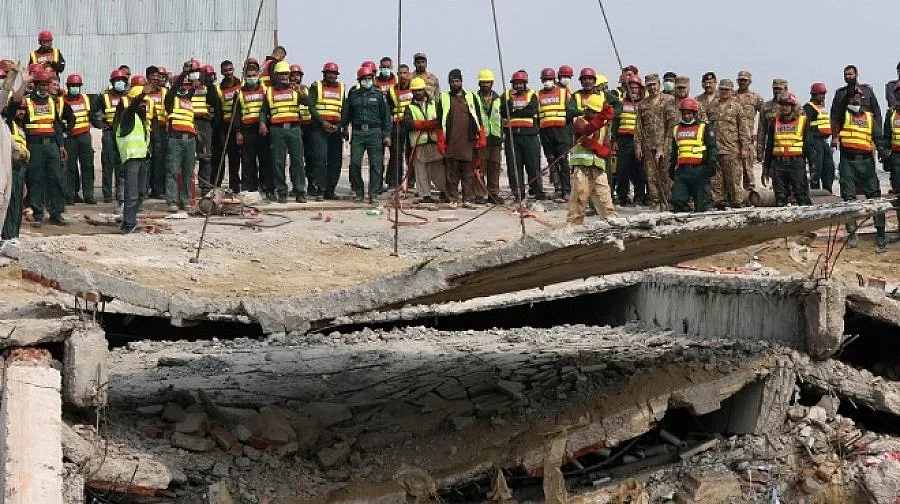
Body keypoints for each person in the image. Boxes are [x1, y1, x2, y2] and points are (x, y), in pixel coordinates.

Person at [837, 87, 886, 251]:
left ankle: (880, 233)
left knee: (875, 198)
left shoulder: (870, 117)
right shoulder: (842, 115)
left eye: (858, 97)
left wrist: (882, 150)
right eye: (852, 97)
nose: (855, 99)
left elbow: (878, 137)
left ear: (862, 99)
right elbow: (838, 107)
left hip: (866, 162)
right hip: (848, 162)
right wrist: (848, 89)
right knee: (849, 198)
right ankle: (852, 233)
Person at [20, 69, 68, 226]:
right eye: (42, 84)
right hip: (34, 146)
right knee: (36, 180)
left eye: (47, 85)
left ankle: (56, 213)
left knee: (56, 178)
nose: (45, 88)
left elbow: (57, 125)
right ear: (35, 85)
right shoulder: (27, 101)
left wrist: (61, 145)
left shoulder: (53, 101)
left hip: (51, 145)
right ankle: (38, 213)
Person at [341, 66, 391, 203]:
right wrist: (344, 128)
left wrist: (387, 135)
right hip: (358, 133)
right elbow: (346, 114)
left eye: (369, 79)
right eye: (364, 79)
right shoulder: (353, 95)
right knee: (355, 163)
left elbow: (386, 117)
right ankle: (359, 192)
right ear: (359, 80)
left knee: (376, 164)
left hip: (375, 133)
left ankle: (373, 194)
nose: (367, 81)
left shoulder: (379, 95)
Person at [260, 61, 307, 203]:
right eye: (280, 74)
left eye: (286, 74)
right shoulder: (269, 91)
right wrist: (262, 122)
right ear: (276, 75)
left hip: (294, 129)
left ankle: (300, 191)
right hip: (277, 130)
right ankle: (282, 192)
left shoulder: (297, 89)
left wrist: (300, 92)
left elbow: (308, 103)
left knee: (298, 161)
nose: (283, 77)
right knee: (278, 162)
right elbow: (264, 110)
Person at [437, 68, 485, 207]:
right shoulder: (444, 98)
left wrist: (481, 135)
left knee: (468, 173)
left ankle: (467, 199)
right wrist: (440, 140)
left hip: (468, 141)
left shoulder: (470, 97)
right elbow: (440, 121)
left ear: (462, 82)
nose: (455, 84)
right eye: (452, 81)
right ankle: (453, 198)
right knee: (452, 173)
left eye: (457, 81)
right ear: (449, 83)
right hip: (451, 142)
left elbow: (478, 117)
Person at [567, 94, 617, 225]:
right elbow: (585, 130)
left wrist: (595, 147)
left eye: (598, 113)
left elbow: (607, 151)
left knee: (606, 204)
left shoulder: (603, 128)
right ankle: (574, 229)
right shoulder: (579, 122)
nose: (595, 115)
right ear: (586, 109)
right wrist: (601, 118)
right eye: (593, 112)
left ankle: (614, 228)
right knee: (578, 203)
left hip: (599, 171)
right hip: (581, 170)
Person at [635, 73, 677, 210]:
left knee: (665, 174)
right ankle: (655, 201)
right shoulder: (642, 105)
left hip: (665, 144)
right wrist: (638, 145)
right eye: (649, 85)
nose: (652, 87)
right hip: (648, 145)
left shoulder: (669, 100)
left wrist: (663, 146)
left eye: (654, 84)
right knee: (651, 175)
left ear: (659, 84)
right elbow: (638, 127)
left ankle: (668, 202)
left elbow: (672, 125)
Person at [500, 70, 543, 201]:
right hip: (512, 137)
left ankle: (536, 192)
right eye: (516, 84)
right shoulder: (506, 96)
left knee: (533, 165)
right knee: (514, 167)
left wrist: (514, 111)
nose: (518, 86)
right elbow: (503, 111)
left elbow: (531, 110)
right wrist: (511, 104)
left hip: (529, 136)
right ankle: (518, 194)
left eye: (521, 83)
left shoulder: (532, 95)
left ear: (525, 84)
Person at [113, 86, 151, 233]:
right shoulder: (127, 116)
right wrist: (141, 95)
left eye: (145, 104)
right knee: (132, 193)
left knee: (141, 192)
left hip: (142, 159)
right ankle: (129, 224)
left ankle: (130, 220)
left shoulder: (141, 121)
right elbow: (132, 107)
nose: (143, 106)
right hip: (131, 160)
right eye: (141, 103)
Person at [763, 93, 811, 207]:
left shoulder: (803, 121)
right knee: (780, 197)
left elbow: (808, 144)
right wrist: (766, 167)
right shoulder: (774, 122)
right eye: (782, 105)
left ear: (793, 107)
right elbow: (769, 145)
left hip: (796, 162)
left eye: (787, 105)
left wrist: (812, 165)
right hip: (779, 163)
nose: (784, 107)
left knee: (801, 195)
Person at [668, 97, 716, 212]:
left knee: (702, 205)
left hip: (700, 171)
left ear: (694, 114)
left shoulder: (704, 127)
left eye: (689, 113)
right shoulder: (676, 129)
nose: (686, 116)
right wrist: (671, 167)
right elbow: (675, 151)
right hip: (682, 171)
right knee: (677, 200)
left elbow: (712, 147)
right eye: (684, 113)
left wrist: (712, 163)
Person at [308, 62, 345, 200]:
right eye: (328, 73)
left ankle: (330, 190)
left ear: (336, 75)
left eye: (333, 73)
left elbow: (345, 109)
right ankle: (321, 189)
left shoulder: (342, 88)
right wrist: (323, 122)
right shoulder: (316, 86)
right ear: (324, 74)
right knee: (320, 158)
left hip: (335, 128)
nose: (331, 75)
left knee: (335, 160)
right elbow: (311, 107)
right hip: (320, 127)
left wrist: (341, 125)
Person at [404, 77, 443, 203]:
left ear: (424, 90)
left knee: (438, 170)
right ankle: (425, 195)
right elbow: (408, 123)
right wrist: (426, 124)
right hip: (419, 143)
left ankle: (444, 191)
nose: (418, 93)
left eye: (420, 90)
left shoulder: (434, 104)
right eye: (415, 91)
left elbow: (440, 121)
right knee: (421, 171)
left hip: (434, 142)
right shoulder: (409, 107)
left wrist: (431, 124)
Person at [92, 69, 129, 204]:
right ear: (112, 83)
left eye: (122, 81)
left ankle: (121, 194)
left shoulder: (128, 97)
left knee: (122, 164)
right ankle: (107, 195)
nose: (120, 83)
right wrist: (100, 124)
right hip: (109, 133)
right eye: (117, 81)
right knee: (108, 164)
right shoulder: (104, 97)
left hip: (123, 134)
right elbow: (93, 112)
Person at [713, 79, 751, 208]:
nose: (724, 92)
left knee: (734, 178)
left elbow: (743, 129)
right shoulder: (713, 107)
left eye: (726, 90)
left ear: (731, 91)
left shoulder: (737, 107)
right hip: (716, 149)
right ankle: (720, 202)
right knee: (717, 180)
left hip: (732, 149)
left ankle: (737, 202)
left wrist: (744, 148)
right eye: (722, 89)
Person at [164, 69, 197, 212]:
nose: (184, 87)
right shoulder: (171, 100)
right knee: (173, 171)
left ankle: (185, 200)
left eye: (186, 84)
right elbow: (174, 89)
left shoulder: (188, 102)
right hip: (175, 140)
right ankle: (172, 201)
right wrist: (183, 74)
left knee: (188, 173)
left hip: (190, 141)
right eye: (181, 84)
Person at [537, 67, 572, 200]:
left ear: (554, 79)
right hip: (546, 133)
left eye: (549, 79)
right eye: (545, 80)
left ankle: (567, 190)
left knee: (563, 161)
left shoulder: (564, 93)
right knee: (552, 161)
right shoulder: (538, 94)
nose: (547, 82)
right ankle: (558, 189)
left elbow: (572, 111)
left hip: (561, 132)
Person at [234, 65, 270, 195]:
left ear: (258, 75)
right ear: (244, 76)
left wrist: (264, 123)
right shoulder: (239, 93)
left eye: (253, 75)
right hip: (247, 130)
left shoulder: (266, 90)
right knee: (248, 161)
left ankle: (265, 187)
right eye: (248, 76)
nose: (251, 78)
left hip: (262, 130)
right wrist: (238, 132)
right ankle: (249, 187)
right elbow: (236, 114)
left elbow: (268, 110)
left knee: (265, 160)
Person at [613, 75, 646, 206]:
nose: (634, 90)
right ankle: (622, 196)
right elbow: (615, 122)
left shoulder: (644, 104)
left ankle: (639, 197)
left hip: (639, 141)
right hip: (624, 139)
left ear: (640, 89)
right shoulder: (621, 102)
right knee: (623, 169)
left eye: (636, 88)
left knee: (639, 170)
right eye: (631, 88)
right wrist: (614, 139)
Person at [62, 73, 95, 204]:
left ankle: (89, 194)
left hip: (85, 136)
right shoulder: (63, 100)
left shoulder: (85, 98)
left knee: (87, 165)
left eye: (77, 86)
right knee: (70, 167)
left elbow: (91, 115)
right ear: (68, 87)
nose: (75, 88)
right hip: (70, 137)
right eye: (72, 86)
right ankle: (71, 195)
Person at [192, 63, 222, 195]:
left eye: (211, 75)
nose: (210, 78)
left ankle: (205, 187)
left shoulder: (210, 89)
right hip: (190, 122)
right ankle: (189, 187)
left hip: (205, 125)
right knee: (190, 158)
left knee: (206, 157)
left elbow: (215, 107)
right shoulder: (186, 87)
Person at [474, 69, 503, 204]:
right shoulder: (474, 99)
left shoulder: (499, 99)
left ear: (492, 83)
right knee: (480, 167)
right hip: (481, 138)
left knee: (494, 167)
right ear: (479, 83)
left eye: (488, 82)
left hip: (495, 138)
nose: (486, 84)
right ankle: (479, 194)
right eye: (483, 82)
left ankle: (493, 194)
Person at [2, 101, 30, 240]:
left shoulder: (22, 126)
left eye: (24, 109)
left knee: (18, 205)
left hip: (21, 168)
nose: (22, 112)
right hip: (12, 167)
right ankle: (8, 236)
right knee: (11, 204)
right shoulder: (9, 125)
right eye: (19, 109)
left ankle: (13, 235)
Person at [831, 65, 882, 138]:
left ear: (856, 74)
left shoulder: (867, 91)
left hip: (866, 134)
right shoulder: (840, 93)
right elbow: (834, 116)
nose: (847, 76)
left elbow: (877, 113)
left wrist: (878, 134)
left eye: (850, 74)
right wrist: (834, 136)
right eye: (845, 75)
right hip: (847, 135)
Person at [217, 60, 242, 193]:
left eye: (230, 70)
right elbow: (219, 111)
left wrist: (238, 129)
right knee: (222, 157)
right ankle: (217, 184)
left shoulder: (240, 84)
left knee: (235, 158)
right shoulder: (220, 88)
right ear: (222, 72)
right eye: (225, 70)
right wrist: (221, 132)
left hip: (238, 125)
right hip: (225, 125)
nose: (228, 73)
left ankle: (235, 185)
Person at [386, 64, 413, 189]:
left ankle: (411, 181)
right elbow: (388, 109)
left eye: (405, 73)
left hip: (412, 125)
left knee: (411, 154)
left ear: (409, 74)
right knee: (396, 153)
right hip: (397, 124)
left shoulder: (414, 88)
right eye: (400, 73)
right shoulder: (392, 91)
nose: (402, 76)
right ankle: (394, 182)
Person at [734, 70, 763, 190]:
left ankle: (750, 194)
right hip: (732, 138)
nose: (742, 82)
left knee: (748, 169)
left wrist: (759, 133)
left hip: (748, 138)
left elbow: (765, 114)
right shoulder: (731, 96)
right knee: (735, 170)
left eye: (745, 80)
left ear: (750, 82)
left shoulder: (755, 97)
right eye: (740, 80)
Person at [803, 83, 835, 191]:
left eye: (824, 94)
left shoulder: (821, 108)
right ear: (814, 94)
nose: (823, 96)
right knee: (816, 168)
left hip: (824, 141)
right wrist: (809, 146)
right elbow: (806, 128)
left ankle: (828, 190)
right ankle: (815, 191)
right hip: (814, 141)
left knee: (829, 168)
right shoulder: (808, 108)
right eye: (820, 94)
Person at [145, 66, 168, 199]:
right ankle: (145, 189)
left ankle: (157, 190)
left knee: (159, 161)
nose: (155, 78)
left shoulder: (164, 91)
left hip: (161, 129)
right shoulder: (144, 91)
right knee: (147, 160)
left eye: (157, 75)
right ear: (147, 77)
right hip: (147, 129)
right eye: (152, 75)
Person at [881, 81, 900, 229]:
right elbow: (886, 137)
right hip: (896, 157)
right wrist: (886, 156)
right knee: (898, 193)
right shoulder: (891, 114)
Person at [756, 79, 789, 166]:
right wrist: (760, 151)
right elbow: (762, 131)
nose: (777, 91)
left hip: (792, 150)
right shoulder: (766, 107)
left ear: (786, 89)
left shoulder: (795, 106)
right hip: (773, 149)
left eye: (779, 89)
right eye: (775, 89)